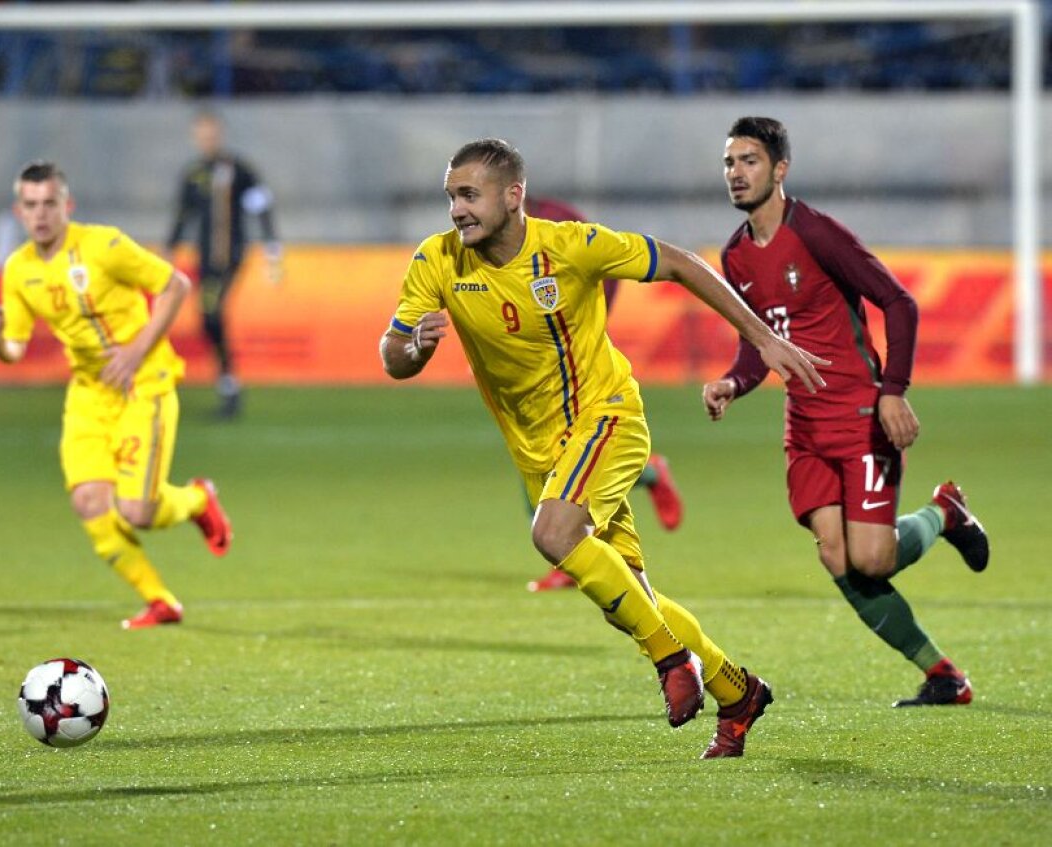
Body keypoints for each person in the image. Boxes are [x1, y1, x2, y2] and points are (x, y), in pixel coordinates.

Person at [380, 138, 828, 758]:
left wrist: (761, 338)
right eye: (452, 195)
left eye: (469, 195)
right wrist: (414, 351)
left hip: (605, 418)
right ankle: (738, 689)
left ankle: (673, 662)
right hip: (538, 451)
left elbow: (676, 263)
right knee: (630, 599)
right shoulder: (438, 261)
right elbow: (394, 352)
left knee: (554, 534)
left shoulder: (568, 246)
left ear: (513, 196)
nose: (457, 209)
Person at [703, 116, 990, 707]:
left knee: (872, 558)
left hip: (860, 416)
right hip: (803, 427)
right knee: (836, 555)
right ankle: (943, 675)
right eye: (730, 162)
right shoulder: (734, 259)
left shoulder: (816, 234)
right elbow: (760, 346)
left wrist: (893, 390)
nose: (736, 173)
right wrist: (734, 382)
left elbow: (898, 302)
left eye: (749, 161)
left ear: (780, 170)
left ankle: (944, 513)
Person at [0, 160, 234, 630]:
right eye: (31, 205)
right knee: (89, 502)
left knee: (136, 511)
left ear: (67, 205)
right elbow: (13, 350)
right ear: (20, 211)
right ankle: (161, 602)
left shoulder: (104, 245)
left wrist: (137, 351)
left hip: (145, 382)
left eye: (49, 204)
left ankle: (198, 501)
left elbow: (174, 285)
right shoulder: (18, 270)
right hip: (89, 393)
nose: (41, 214)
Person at [524, 194, 683, 593]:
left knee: (550, 463)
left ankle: (567, 553)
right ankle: (649, 475)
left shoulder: (560, 226)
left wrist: (587, 322)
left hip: (573, 365)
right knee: (542, 460)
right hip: (532, 367)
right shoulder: (490, 239)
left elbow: (604, 269)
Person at [165, 111, 284, 418]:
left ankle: (229, 387)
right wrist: (170, 248)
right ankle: (228, 384)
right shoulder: (193, 173)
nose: (207, 141)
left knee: (210, 311)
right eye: (202, 135)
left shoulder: (238, 170)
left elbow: (262, 206)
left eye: (212, 135)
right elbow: (183, 215)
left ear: (220, 135)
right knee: (208, 318)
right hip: (203, 256)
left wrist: (272, 247)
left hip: (229, 254)